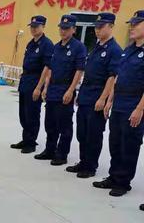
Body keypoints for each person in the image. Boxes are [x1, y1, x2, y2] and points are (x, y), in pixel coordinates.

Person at [94, 10, 144, 197]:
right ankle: (113, 177)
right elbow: (118, 77)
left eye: (137, 23)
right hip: (120, 102)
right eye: (132, 23)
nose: (132, 27)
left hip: (135, 103)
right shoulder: (129, 50)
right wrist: (110, 100)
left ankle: (123, 182)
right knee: (115, 142)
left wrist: (140, 109)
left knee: (129, 144)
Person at [65, 13, 122, 179]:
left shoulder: (114, 50)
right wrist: (79, 93)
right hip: (86, 94)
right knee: (82, 132)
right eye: (96, 27)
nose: (97, 30)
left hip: (98, 96)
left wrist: (103, 98)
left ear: (111, 26)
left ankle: (90, 166)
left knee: (94, 134)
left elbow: (112, 77)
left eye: (101, 27)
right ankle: (83, 161)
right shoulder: (96, 47)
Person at [35, 15, 86, 166]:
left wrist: (71, 90)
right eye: (61, 28)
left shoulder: (78, 47)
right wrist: (45, 87)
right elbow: (50, 68)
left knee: (64, 124)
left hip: (65, 89)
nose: (63, 31)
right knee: (50, 122)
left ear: (74, 29)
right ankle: (50, 149)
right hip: (53, 89)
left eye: (67, 28)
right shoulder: (56, 47)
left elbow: (79, 70)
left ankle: (62, 154)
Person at [11, 15, 54, 154]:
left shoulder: (47, 44)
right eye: (32, 27)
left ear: (43, 27)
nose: (34, 29)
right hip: (26, 81)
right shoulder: (31, 43)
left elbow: (47, 68)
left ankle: (31, 142)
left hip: (35, 82)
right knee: (23, 113)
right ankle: (26, 138)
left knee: (32, 114)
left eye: (37, 26)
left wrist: (39, 87)